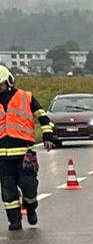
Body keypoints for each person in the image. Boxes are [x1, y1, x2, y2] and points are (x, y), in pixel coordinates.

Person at [0, 66, 52, 230]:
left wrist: (47, 136)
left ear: (8, 81)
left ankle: (30, 207)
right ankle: (14, 221)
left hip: (23, 152)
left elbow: (42, 116)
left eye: (0, 84)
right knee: (8, 192)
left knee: (28, 186)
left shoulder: (25, 97)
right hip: (2, 156)